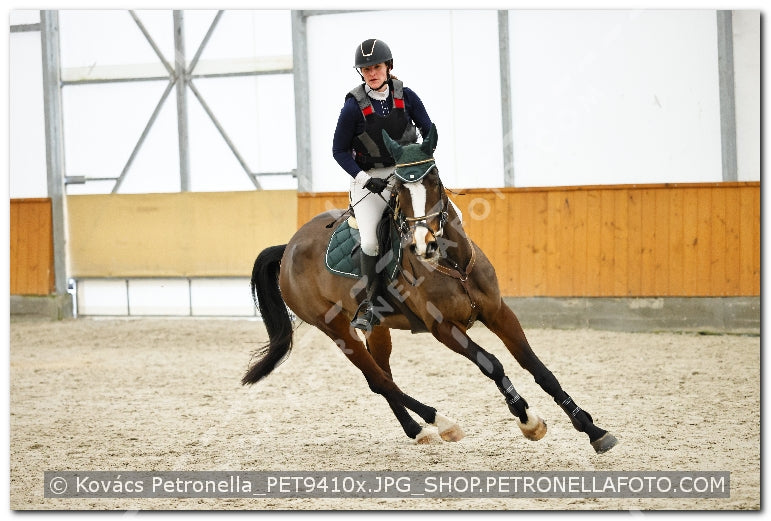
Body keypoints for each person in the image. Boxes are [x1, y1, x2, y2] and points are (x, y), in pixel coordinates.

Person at [332, 38, 433, 332]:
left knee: (453, 216)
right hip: (369, 179)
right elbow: (339, 151)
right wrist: (365, 180)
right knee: (370, 242)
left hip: (406, 174)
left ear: (388, 67)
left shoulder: (407, 97)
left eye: (376, 67)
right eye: (365, 69)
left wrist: (418, 162)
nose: (371, 73)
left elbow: (428, 131)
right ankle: (371, 304)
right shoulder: (352, 108)